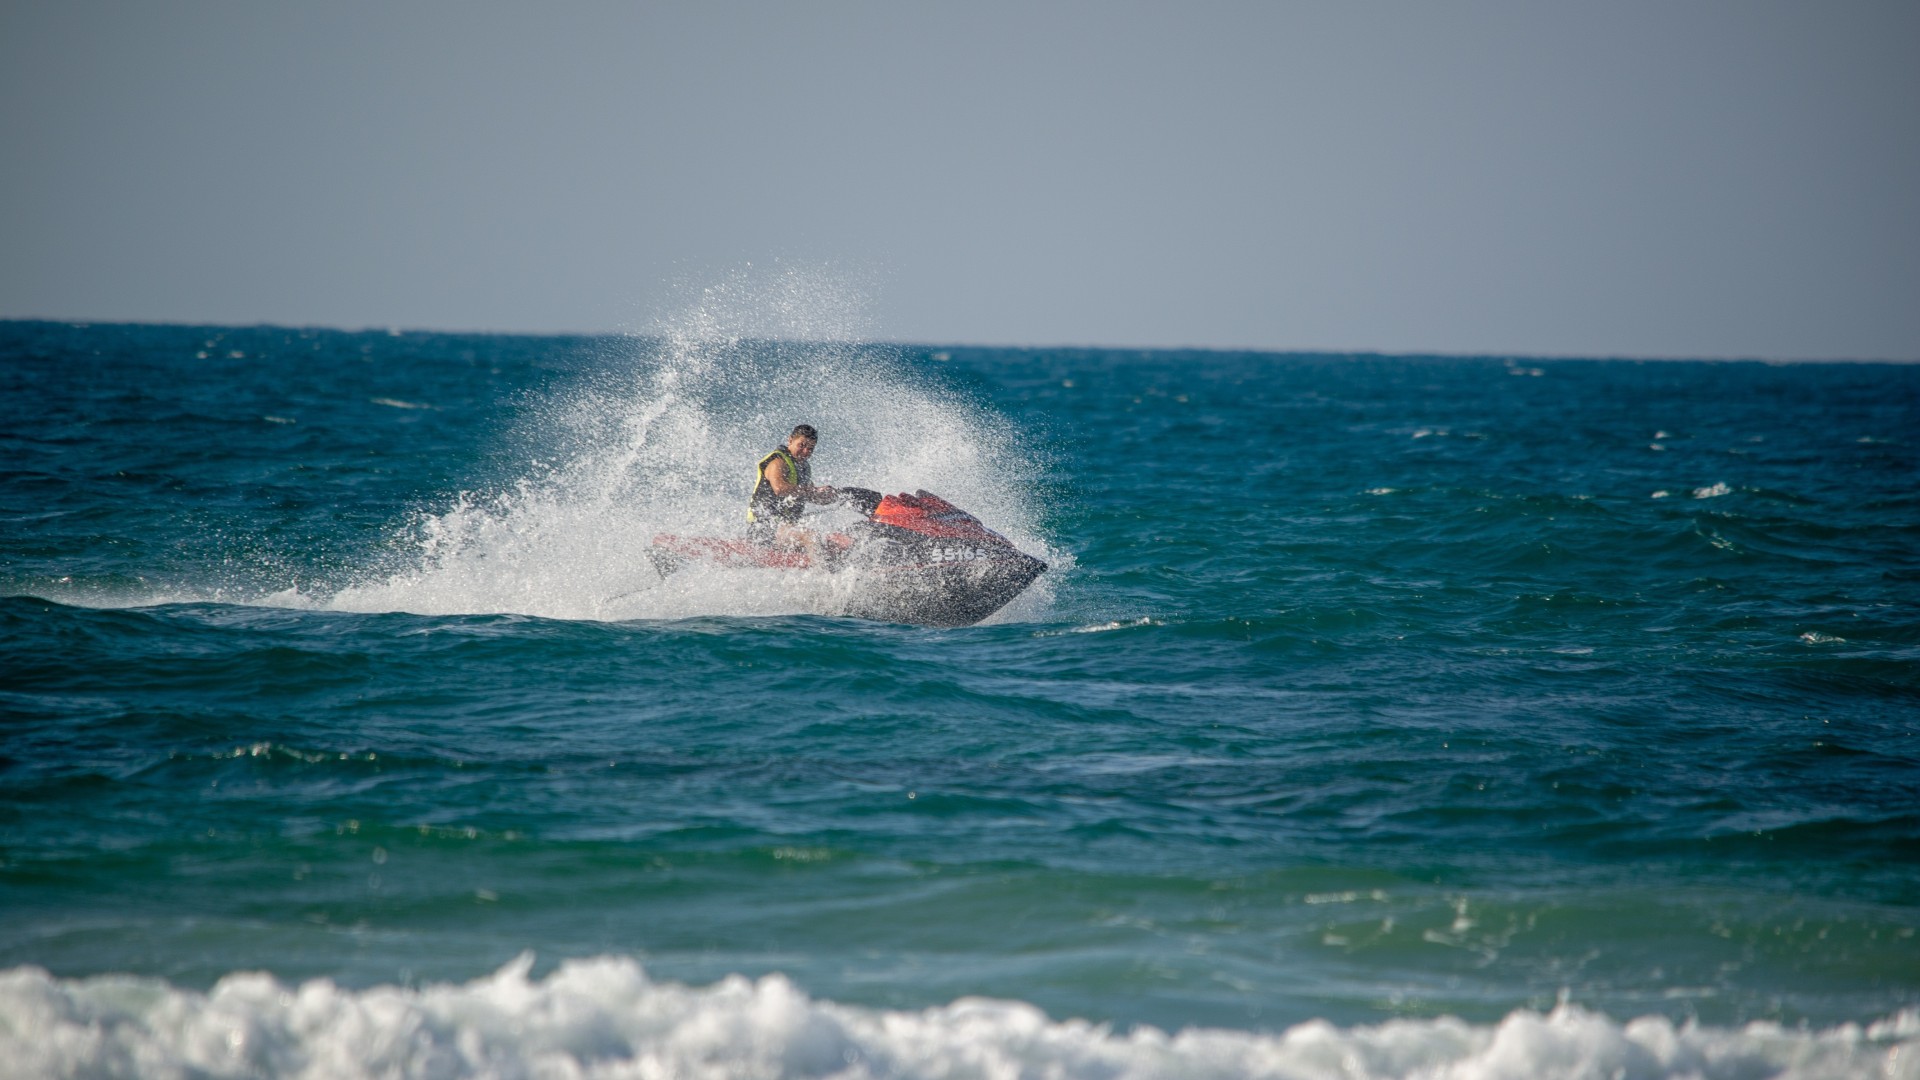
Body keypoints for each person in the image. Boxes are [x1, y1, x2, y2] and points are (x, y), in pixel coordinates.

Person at [748, 424, 839, 547]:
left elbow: (810, 495)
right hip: (764, 528)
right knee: (811, 536)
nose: (806, 451)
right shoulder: (778, 462)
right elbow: (779, 489)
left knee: (833, 539)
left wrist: (830, 497)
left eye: (811, 448)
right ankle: (821, 566)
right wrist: (813, 490)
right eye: (802, 445)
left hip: (785, 528)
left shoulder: (803, 467)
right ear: (790, 440)